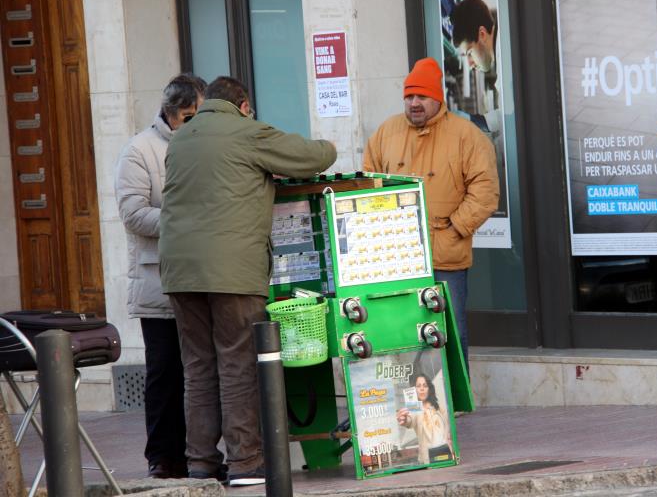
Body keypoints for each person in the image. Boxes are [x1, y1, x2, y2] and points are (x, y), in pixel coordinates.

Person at [159, 76, 336, 487]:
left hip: (179, 273)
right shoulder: (247, 131)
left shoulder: (180, 139)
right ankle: (245, 463)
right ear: (243, 106)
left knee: (199, 368)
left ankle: (201, 463)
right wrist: (331, 144)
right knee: (239, 363)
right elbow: (312, 157)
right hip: (231, 270)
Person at [363, 57, 499, 366]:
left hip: (446, 252)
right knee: (402, 327)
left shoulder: (467, 136)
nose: (414, 103)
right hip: (398, 252)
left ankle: (457, 400)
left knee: (450, 326)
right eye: (409, 97)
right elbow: (368, 179)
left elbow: (486, 191)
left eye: (421, 97)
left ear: (437, 98)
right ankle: (414, 395)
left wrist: (454, 227)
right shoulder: (387, 132)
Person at [114, 73, 207, 479]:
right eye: (194, 116)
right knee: (165, 372)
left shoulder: (204, 144)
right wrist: (183, 221)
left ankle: (201, 454)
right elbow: (132, 212)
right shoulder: (139, 150)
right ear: (175, 114)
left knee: (202, 373)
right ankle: (164, 457)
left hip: (202, 277)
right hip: (160, 283)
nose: (199, 123)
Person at [449, 0, 500, 138]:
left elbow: (508, 115)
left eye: (469, 53)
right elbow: (505, 116)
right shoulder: (501, 49)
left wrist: (470, 120)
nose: (470, 64)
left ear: (482, 34)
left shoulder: (506, 53)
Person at [396, 373, 453, 465]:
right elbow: (410, 420)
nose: (422, 389)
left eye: (425, 386)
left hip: (446, 454)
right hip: (428, 460)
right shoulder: (415, 409)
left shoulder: (439, 408)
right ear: (415, 390)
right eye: (418, 386)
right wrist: (404, 420)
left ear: (429, 389)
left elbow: (448, 428)